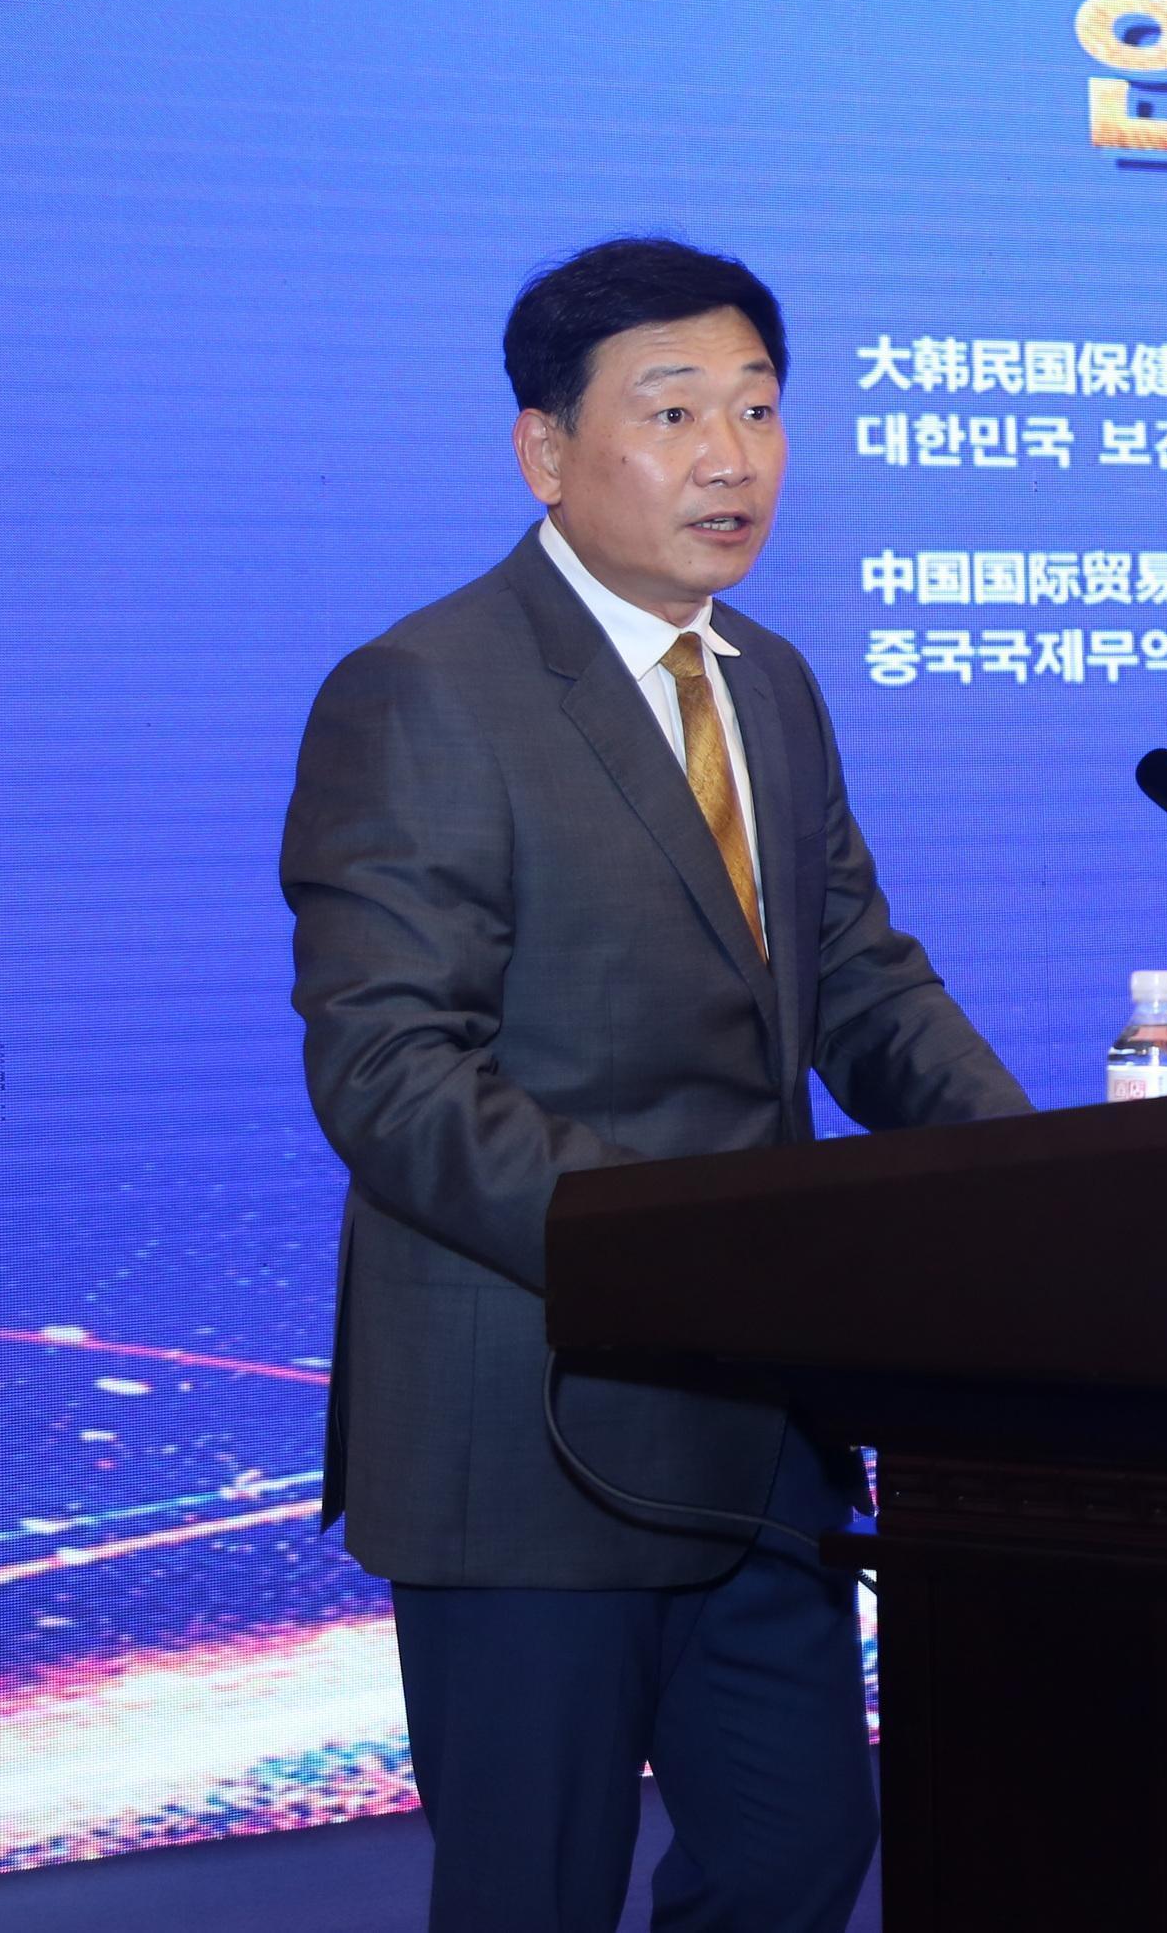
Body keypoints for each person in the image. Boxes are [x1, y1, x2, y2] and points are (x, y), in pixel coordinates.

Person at [281, 237, 1030, 1932]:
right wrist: (686, 1252)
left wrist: (1043, 1187)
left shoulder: (770, 685)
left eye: (759, 409)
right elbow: (390, 1072)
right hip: (530, 1433)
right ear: (545, 450)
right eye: (674, 411)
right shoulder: (427, 692)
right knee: (532, 1898)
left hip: (756, 1428)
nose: (730, 457)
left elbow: (858, 979)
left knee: (794, 1855)